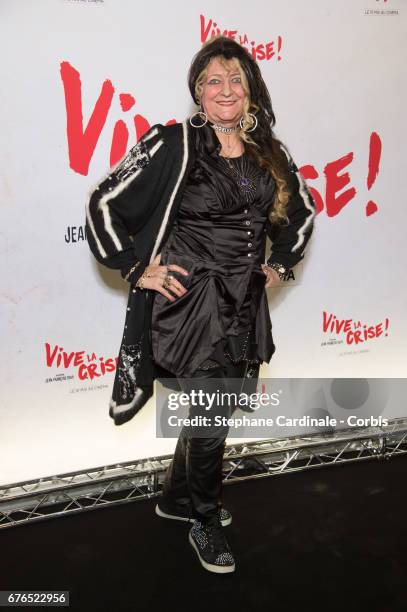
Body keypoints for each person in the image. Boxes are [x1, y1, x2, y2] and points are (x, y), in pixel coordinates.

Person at [85, 35, 316, 574]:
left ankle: (175, 497)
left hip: (244, 301)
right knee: (212, 411)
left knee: (218, 405)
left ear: (252, 89)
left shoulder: (270, 151)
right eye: (214, 80)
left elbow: (301, 213)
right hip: (189, 304)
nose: (226, 89)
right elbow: (104, 202)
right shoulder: (172, 143)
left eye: (236, 78)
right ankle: (204, 519)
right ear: (198, 92)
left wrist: (279, 266)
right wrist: (135, 268)